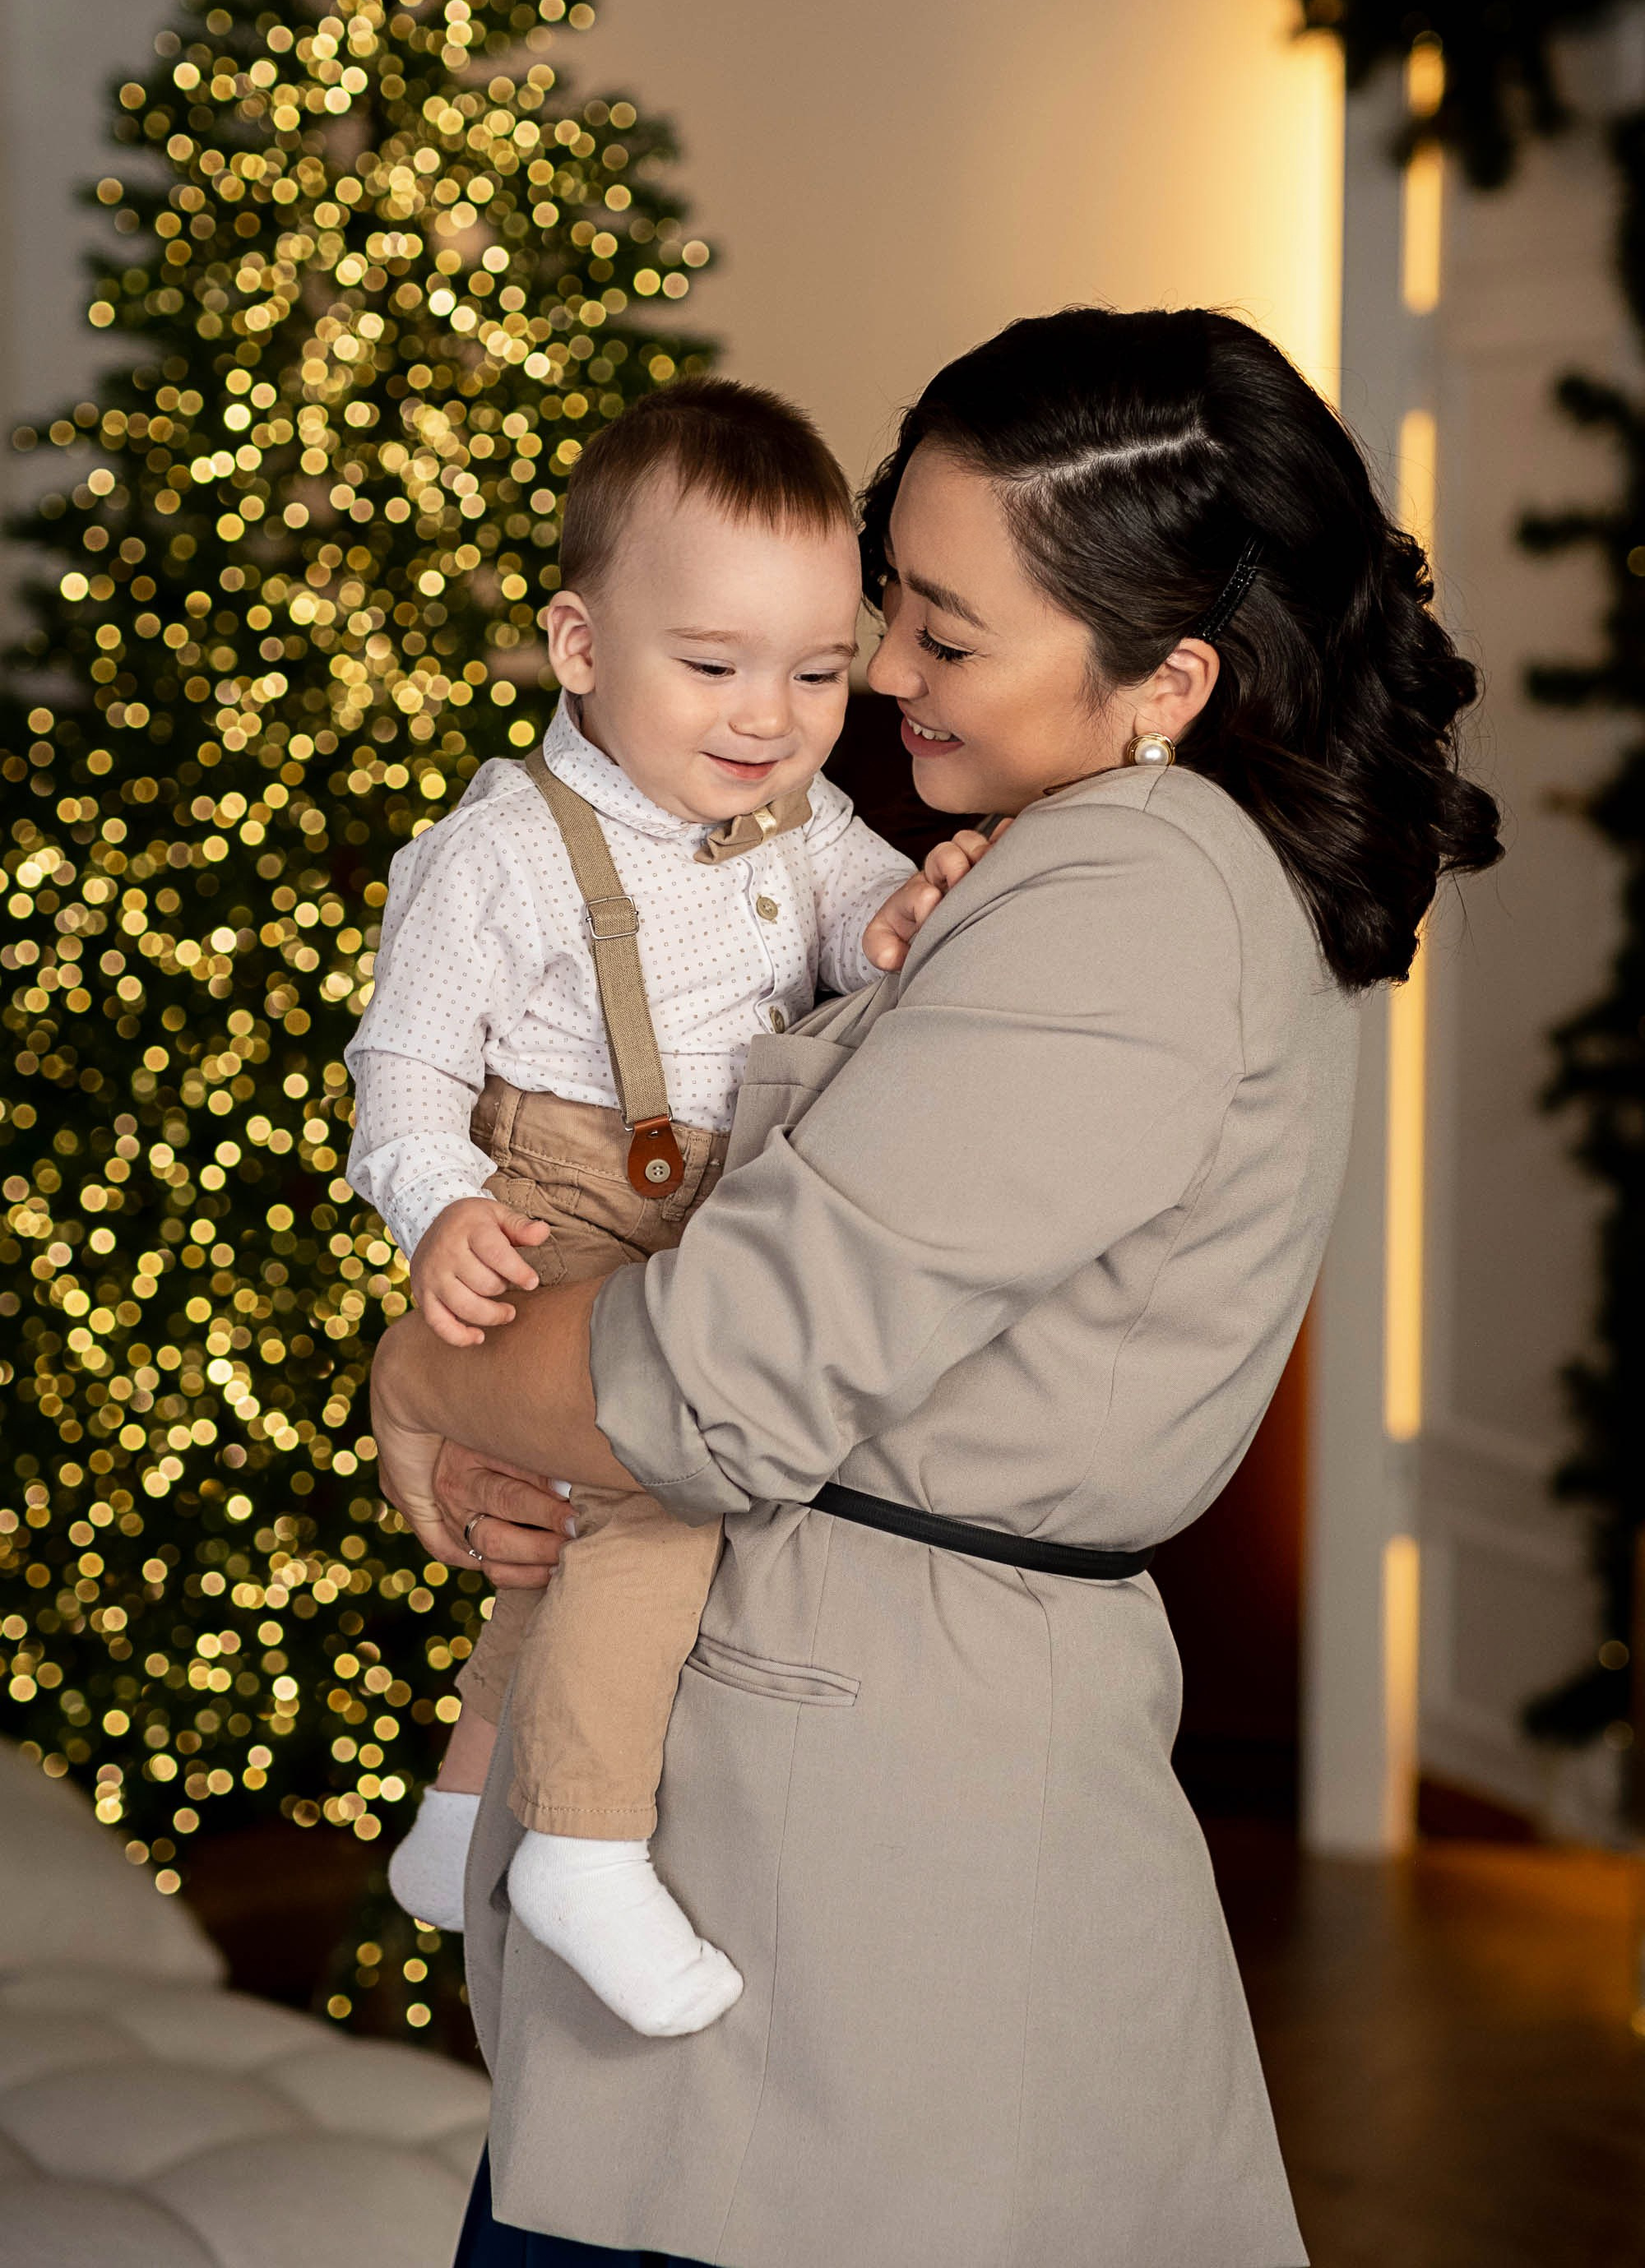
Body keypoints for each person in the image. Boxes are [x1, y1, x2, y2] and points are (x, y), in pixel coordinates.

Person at [369, 308, 1502, 2268]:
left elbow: (707, 1382)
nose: (877, 669)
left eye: (938, 632)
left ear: (1165, 675)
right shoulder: (1052, 862)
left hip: (868, 1839)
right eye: (892, 599)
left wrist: (427, 1376)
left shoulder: (1133, 901)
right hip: (830, 1759)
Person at [346, 379, 984, 2036]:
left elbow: (857, 952)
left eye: (819, 669)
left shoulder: (803, 821)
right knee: (652, 1490)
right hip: (556, 1195)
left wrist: (912, 913)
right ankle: (578, 1840)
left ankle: (463, 1804)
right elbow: (404, 1060)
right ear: (578, 645)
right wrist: (435, 1210)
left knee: (567, 1538)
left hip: (709, 1204)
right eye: (710, 666)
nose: (767, 714)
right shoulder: (499, 853)